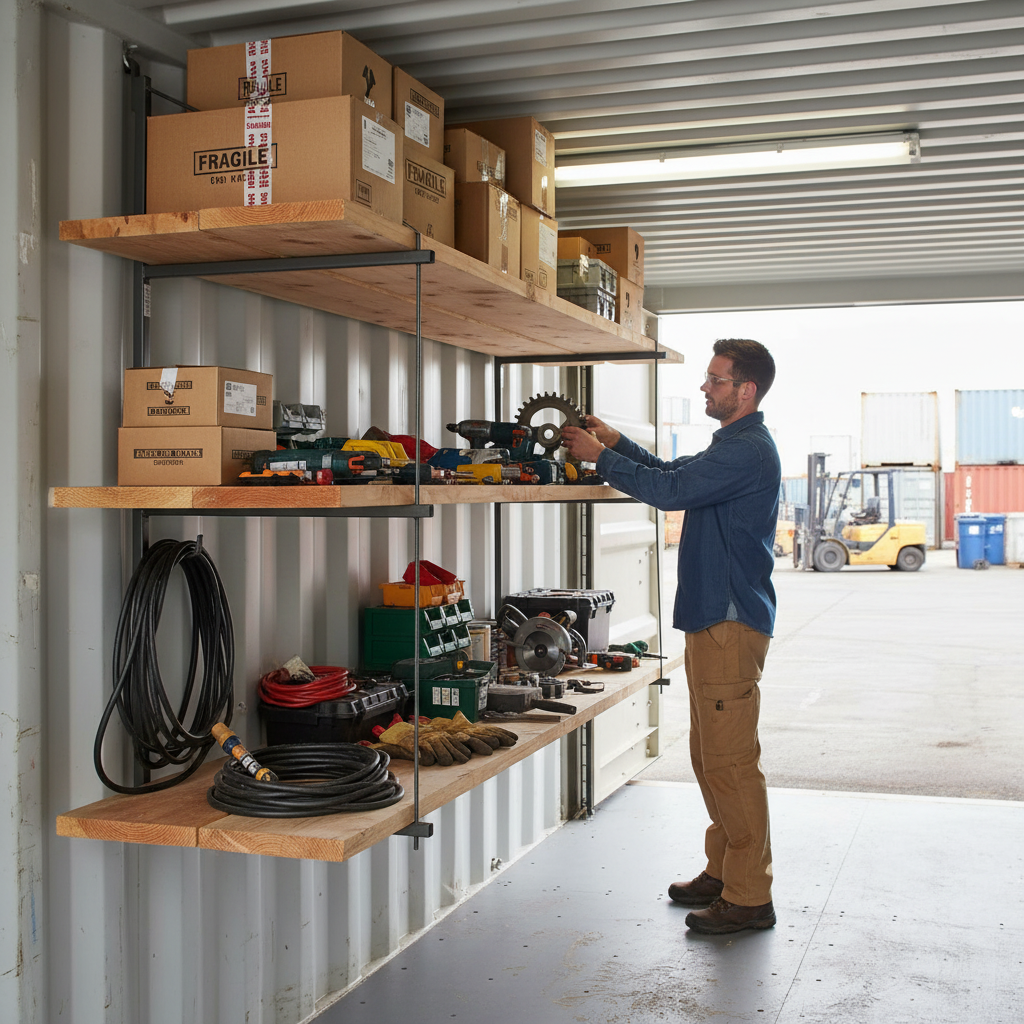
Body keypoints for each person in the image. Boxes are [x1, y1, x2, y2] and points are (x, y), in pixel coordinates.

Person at [561, 338, 781, 936]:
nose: (705, 387)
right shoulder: (730, 445)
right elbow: (672, 474)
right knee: (709, 756)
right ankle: (724, 871)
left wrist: (601, 458)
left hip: (729, 625)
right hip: (713, 622)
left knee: (731, 762)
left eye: (716, 379)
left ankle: (749, 896)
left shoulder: (748, 451)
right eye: (707, 378)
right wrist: (616, 444)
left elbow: (669, 493)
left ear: (746, 391)